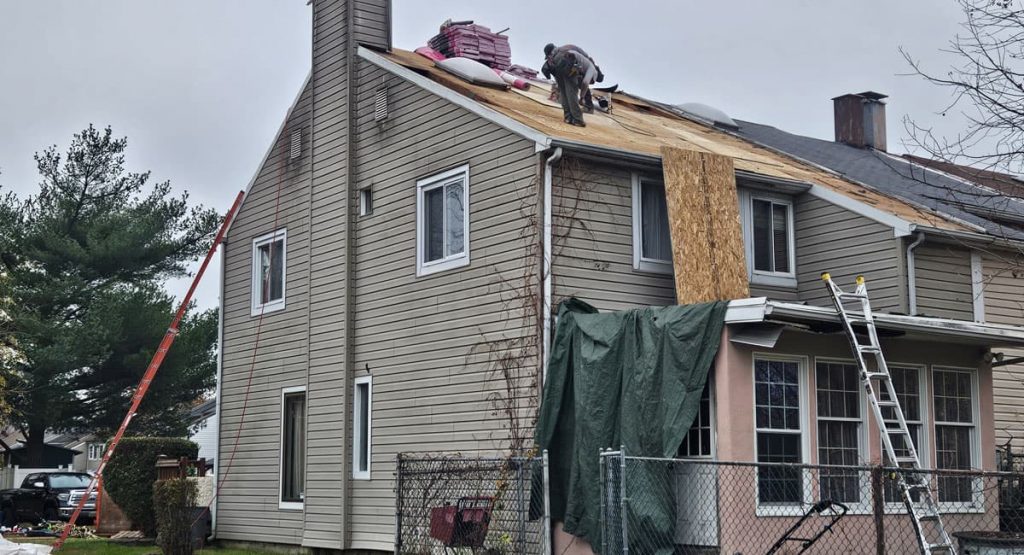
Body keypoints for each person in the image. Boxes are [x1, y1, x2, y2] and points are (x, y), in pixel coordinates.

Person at [542, 43, 587, 127]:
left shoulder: (552, 59)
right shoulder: (565, 50)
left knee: (564, 94)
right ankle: (578, 119)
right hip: (569, 73)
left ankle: (568, 117)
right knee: (571, 94)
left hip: (559, 74)